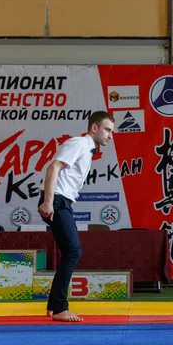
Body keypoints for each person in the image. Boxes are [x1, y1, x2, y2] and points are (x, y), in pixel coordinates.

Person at [38, 111, 115, 322]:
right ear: (94, 128)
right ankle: (60, 307)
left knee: (71, 252)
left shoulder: (88, 149)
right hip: (57, 201)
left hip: (62, 202)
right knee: (73, 252)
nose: (110, 135)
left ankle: (54, 305)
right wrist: (47, 200)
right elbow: (53, 166)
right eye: (107, 130)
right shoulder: (80, 143)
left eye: (112, 131)